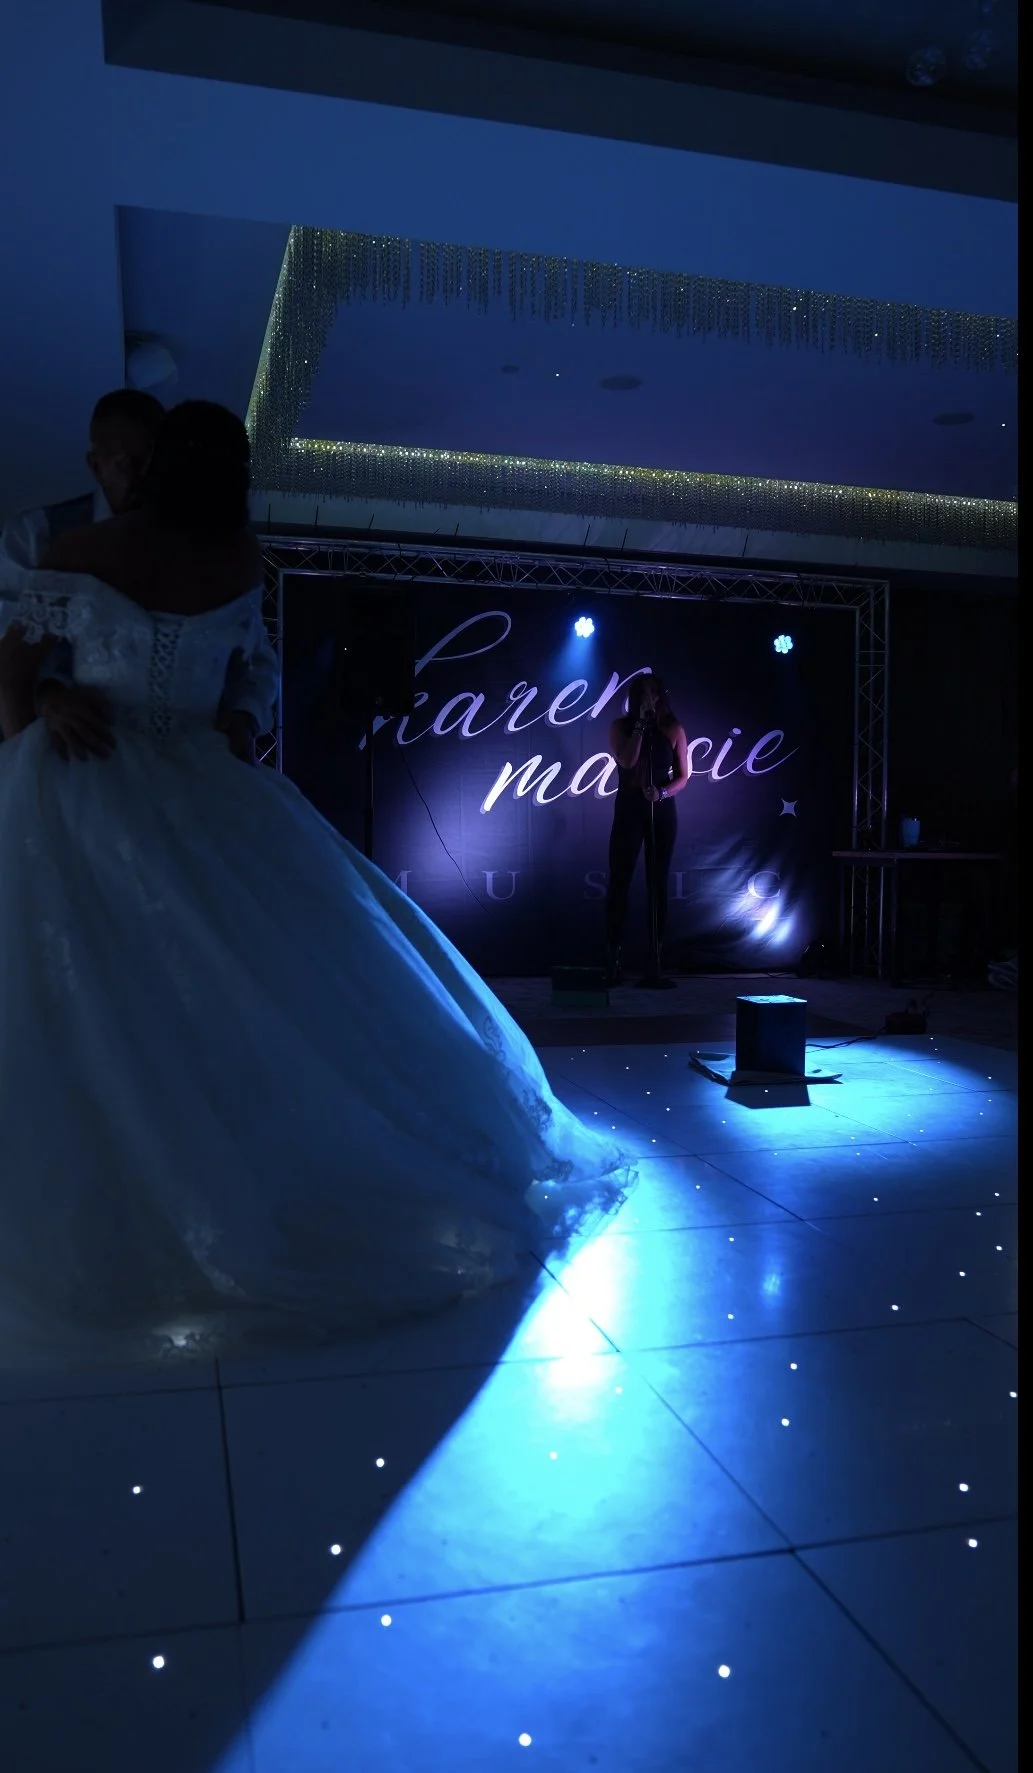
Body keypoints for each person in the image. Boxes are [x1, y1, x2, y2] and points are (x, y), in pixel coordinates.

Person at [0, 400, 633, 1365]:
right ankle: (228, 1183)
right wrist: (62, 702)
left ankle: (146, 1198)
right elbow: (215, 677)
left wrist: (40, 719)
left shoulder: (85, 550)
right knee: (233, 991)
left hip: (88, 777)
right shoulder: (238, 558)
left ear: (158, 461)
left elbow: (10, 676)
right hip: (199, 787)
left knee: (98, 994)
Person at [0, 387, 277, 766]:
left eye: (152, 461)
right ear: (96, 465)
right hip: (78, 759)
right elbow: (8, 652)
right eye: (127, 465)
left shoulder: (229, 559)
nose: (144, 478)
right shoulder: (42, 536)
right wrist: (46, 696)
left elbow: (256, 658)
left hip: (197, 768)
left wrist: (244, 717)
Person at [605, 673, 688, 985]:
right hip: (628, 809)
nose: (649, 698)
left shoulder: (673, 729)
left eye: (654, 692)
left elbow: (683, 775)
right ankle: (613, 958)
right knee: (619, 881)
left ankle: (655, 961)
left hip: (661, 810)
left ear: (661, 696)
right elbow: (627, 761)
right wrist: (640, 725)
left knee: (658, 884)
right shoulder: (620, 727)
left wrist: (663, 792)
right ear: (635, 697)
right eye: (643, 693)